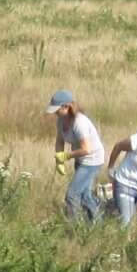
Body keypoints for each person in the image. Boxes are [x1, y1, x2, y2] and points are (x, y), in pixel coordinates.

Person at [47, 90, 105, 223]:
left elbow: (86, 149)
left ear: (66, 106)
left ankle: (73, 227)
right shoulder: (61, 121)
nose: (55, 113)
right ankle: (97, 224)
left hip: (92, 161)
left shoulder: (80, 123)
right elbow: (59, 140)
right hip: (80, 159)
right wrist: (58, 159)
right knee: (85, 196)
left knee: (72, 195)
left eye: (57, 109)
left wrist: (66, 156)